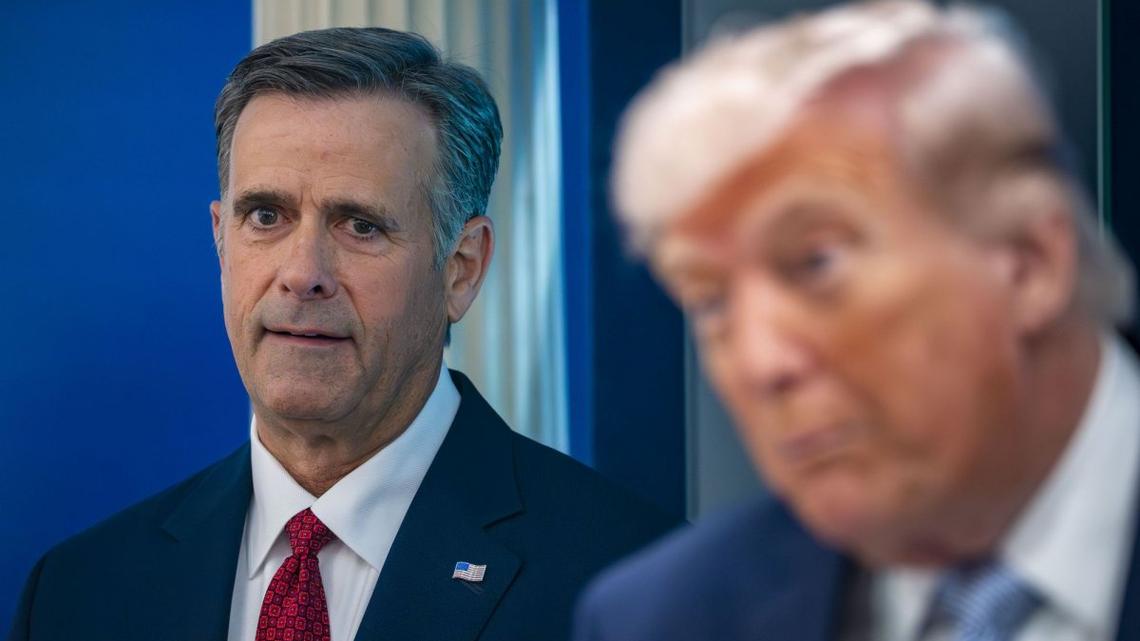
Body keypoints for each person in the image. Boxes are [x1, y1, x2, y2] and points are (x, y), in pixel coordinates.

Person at [8, 27, 676, 641]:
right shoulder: (78, 592)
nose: (302, 274)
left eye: (360, 224)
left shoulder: (638, 588)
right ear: (220, 241)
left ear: (461, 269)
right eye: (266, 215)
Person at [573, 1, 1140, 640]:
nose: (761, 364)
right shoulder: (664, 619)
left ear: (1029, 264)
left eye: (818, 264)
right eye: (710, 302)